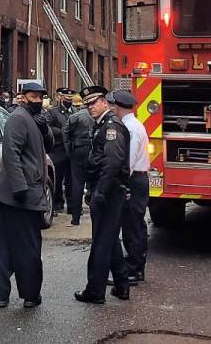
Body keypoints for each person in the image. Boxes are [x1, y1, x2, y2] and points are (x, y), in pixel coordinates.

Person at [0, 82, 53, 309]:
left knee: (8, 244)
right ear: (22, 97)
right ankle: (29, 295)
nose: (37, 100)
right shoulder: (18, 118)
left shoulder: (32, 119)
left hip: (18, 193)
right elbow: (11, 153)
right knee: (28, 246)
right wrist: (20, 189)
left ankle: (3, 295)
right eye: (32, 96)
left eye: (40, 97)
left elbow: (49, 146)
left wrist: (45, 129)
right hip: (20, 194)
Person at [74, 85, 131, 305]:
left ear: (105, 102)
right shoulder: (102, 124)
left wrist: (100, 192)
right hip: (106, 189)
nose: (90, 108)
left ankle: (95, 291)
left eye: (93, 103)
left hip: (109, 191)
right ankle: (122, 284)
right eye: (87, 104)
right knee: (109, 238)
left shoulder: (111, 126)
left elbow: (113, 162)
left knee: (101, 242)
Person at [108, 89, 149, 284]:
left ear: (117, 107)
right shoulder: (133, 124)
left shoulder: (130, 129)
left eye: (111, 105)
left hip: (133, 180)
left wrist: (122, 184)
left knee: (132, 226)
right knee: (136, 224)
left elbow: (128, 161)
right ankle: (135, 265)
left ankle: (134, 269)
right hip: (138, 179)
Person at [45, 88, 75, 215]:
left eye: (70, 99)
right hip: (58, 149)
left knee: (71, 180)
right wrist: (62, 131)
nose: (69, 101)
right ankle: (58, 203)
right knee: (57, 179)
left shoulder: (75, 112)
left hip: (71, 150)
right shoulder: (53, 112)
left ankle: (72, 205)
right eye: (66, 98)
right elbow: (47, 126)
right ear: (61, 98)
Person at [64, 105, 94, 226]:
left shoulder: (74, 117)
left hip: (77, 150)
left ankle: (75, 217)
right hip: (91, 151)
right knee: (93, 183)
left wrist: (69, 152)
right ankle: (94, 215)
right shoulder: (94, 115)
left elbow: (65, 133)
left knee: (77, 184)